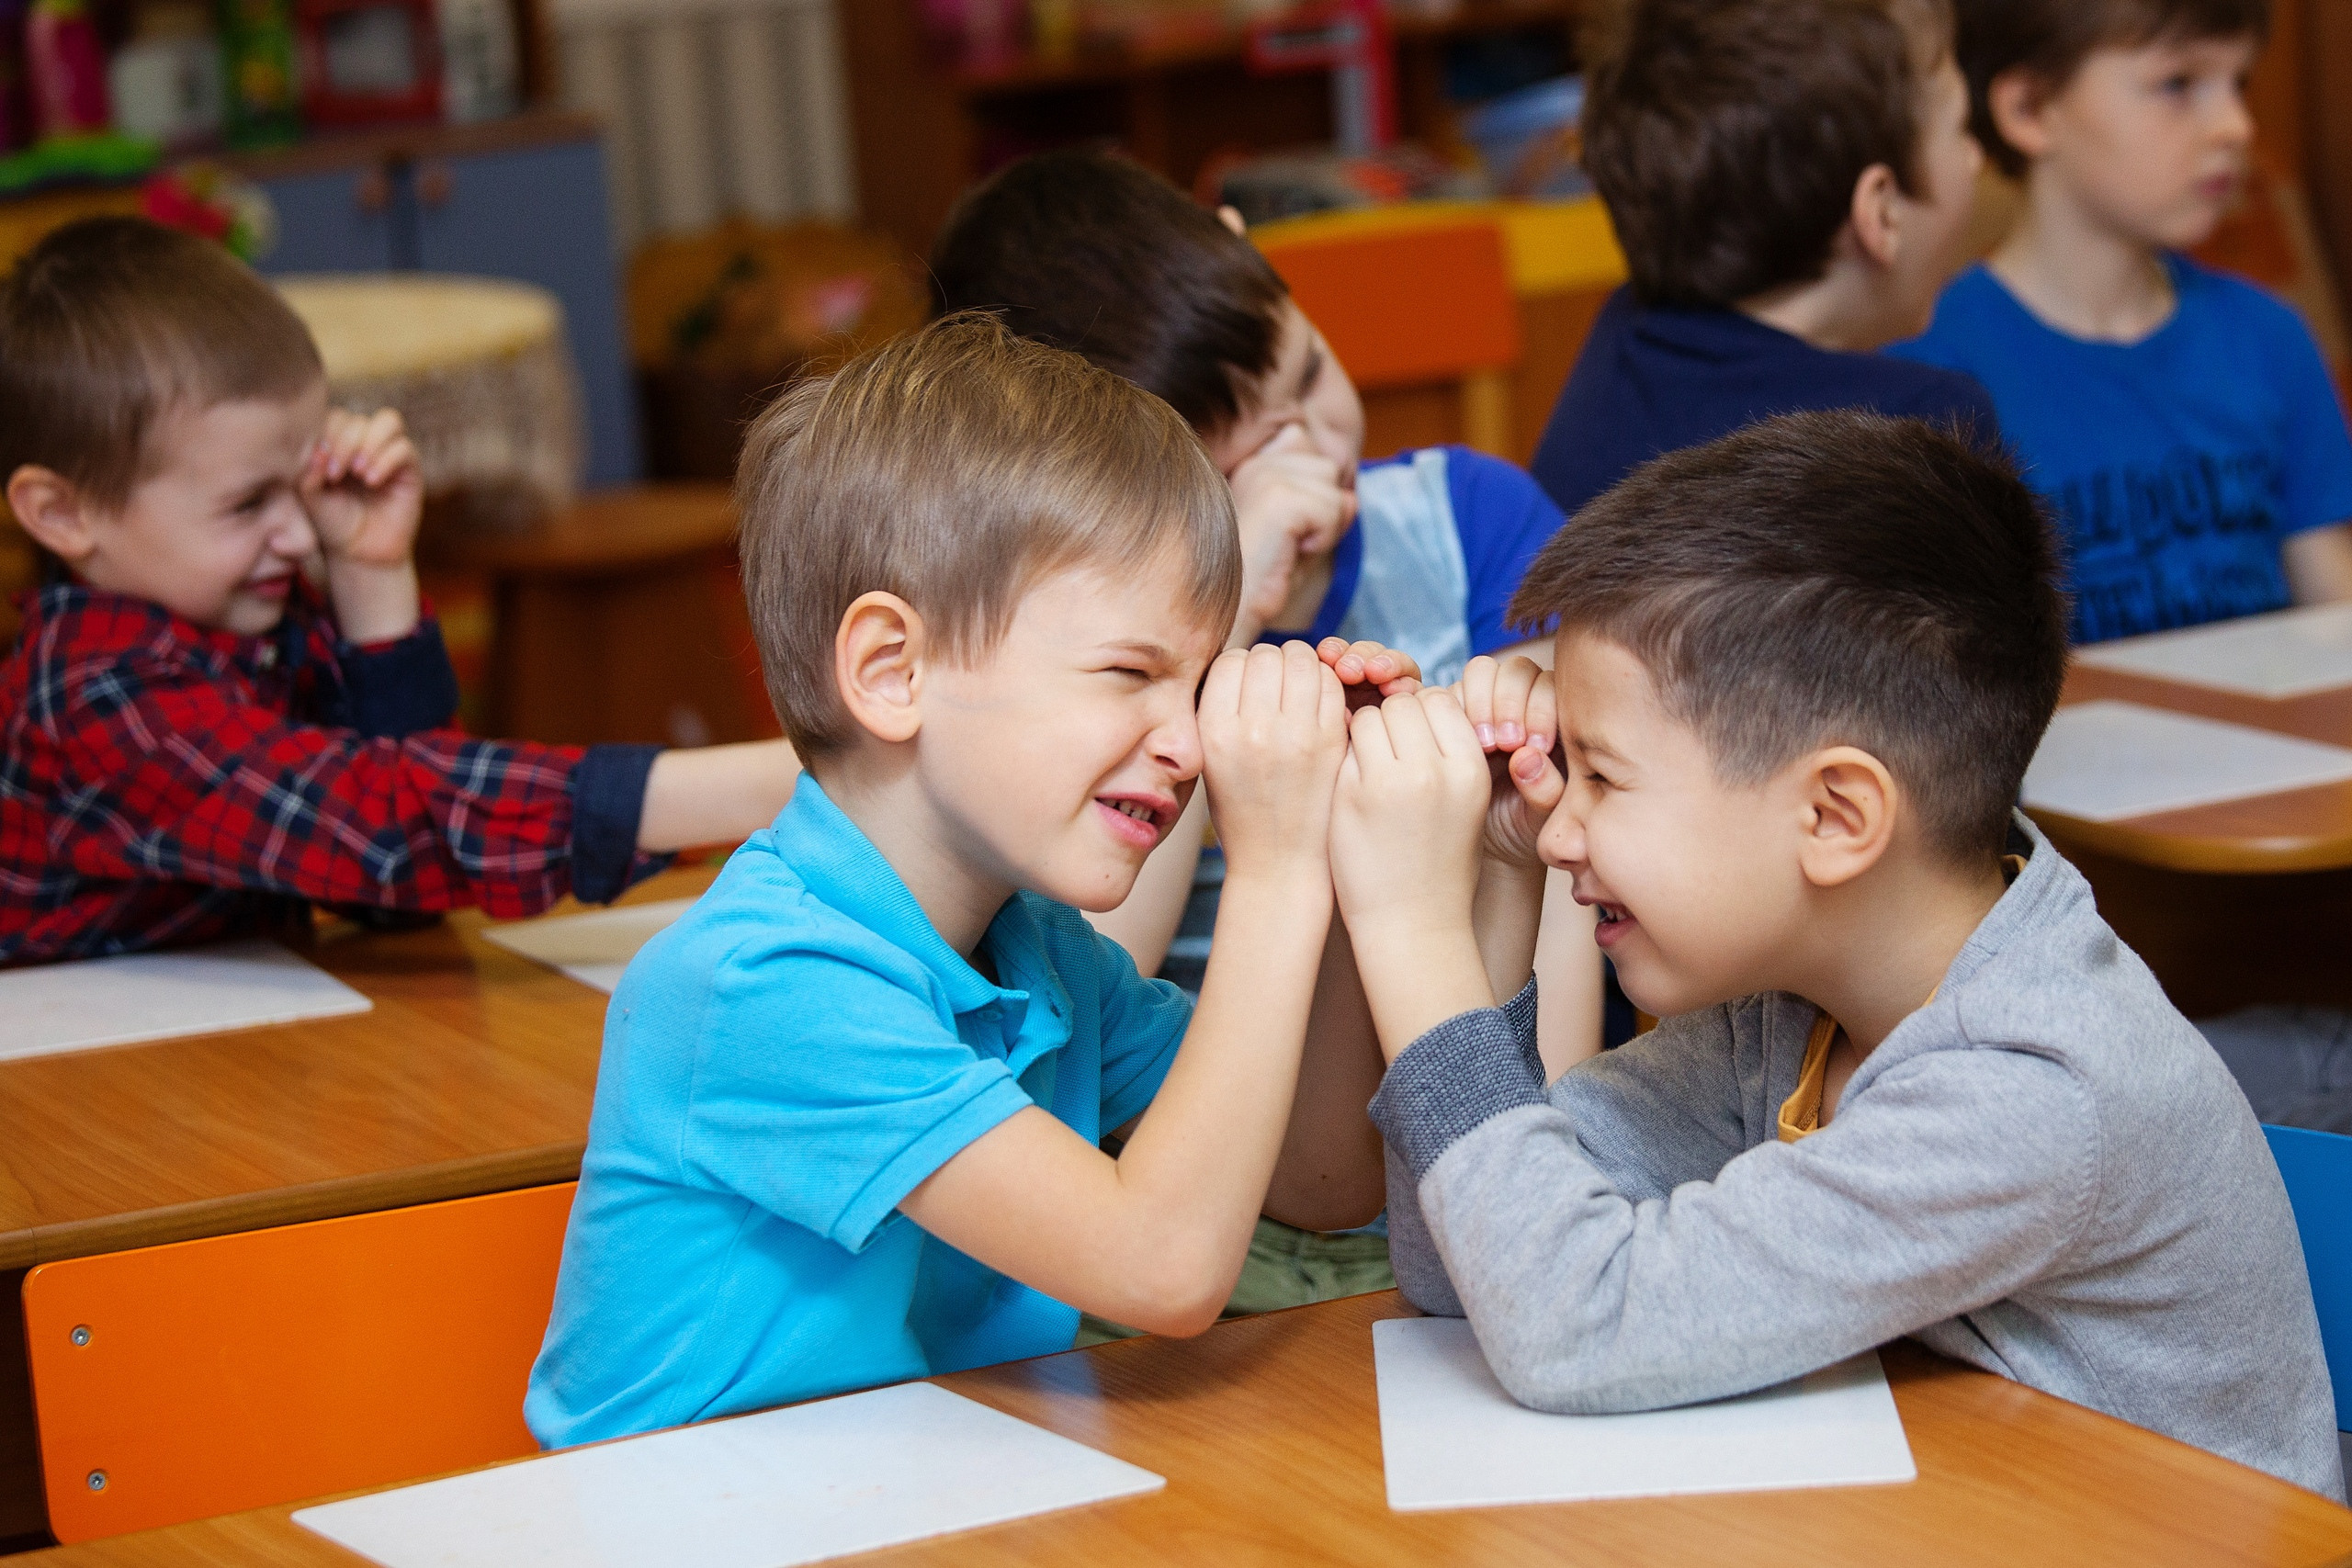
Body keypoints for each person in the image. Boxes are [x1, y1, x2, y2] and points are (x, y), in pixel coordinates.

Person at [1326, 410, 2342, 1498]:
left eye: (1604, 779)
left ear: (1835, 816)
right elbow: (1470, 1264)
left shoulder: (2030, 1088)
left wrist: (1408, 931)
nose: (1561, 824)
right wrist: (1494, 878)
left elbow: (1573, 1326)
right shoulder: (1795, 1001)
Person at [526, 317, 1404, 1448]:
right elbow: (1165, 1267)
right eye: (1129, 674)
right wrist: (1272, 867)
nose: (1186, 745)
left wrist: (1330, 836)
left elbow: (1323, 1177)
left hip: (939, 1505)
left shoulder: (1035, 950)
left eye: (1198, 690)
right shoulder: (764, 981)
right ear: (894, 672)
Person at [929, 149, 1604, 1314]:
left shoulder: (1466, 520)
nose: (1316, 454)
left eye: (1307, 377)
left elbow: (1567, 929)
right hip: (1184, 1186)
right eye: (1232, 467)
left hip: (1487, 1173)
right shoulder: (1083, 671)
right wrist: (1215, 607)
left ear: (1251, 247)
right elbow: (1101, 966)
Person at [0, 218, 798, 965]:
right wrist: (744, 787)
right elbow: (379, 830)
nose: (300, 534)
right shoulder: (91, 692)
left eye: (302, 482)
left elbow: (395, 897)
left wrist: (372, 579)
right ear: (63, 513)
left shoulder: (254, 611)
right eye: (247, 504)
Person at [1894, 0, 2352, 645]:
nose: (2237, 126)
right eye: (2178, 84)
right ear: (2029, 109)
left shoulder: (2270, 336)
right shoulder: (1927, 370)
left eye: (2239, 84)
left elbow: (2331, 602)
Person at [1531, 0, 1998, 521]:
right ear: (1881, 212)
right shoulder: (1923, 431)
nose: (1976, 161)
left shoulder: (1620, 342)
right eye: (1961, 130)